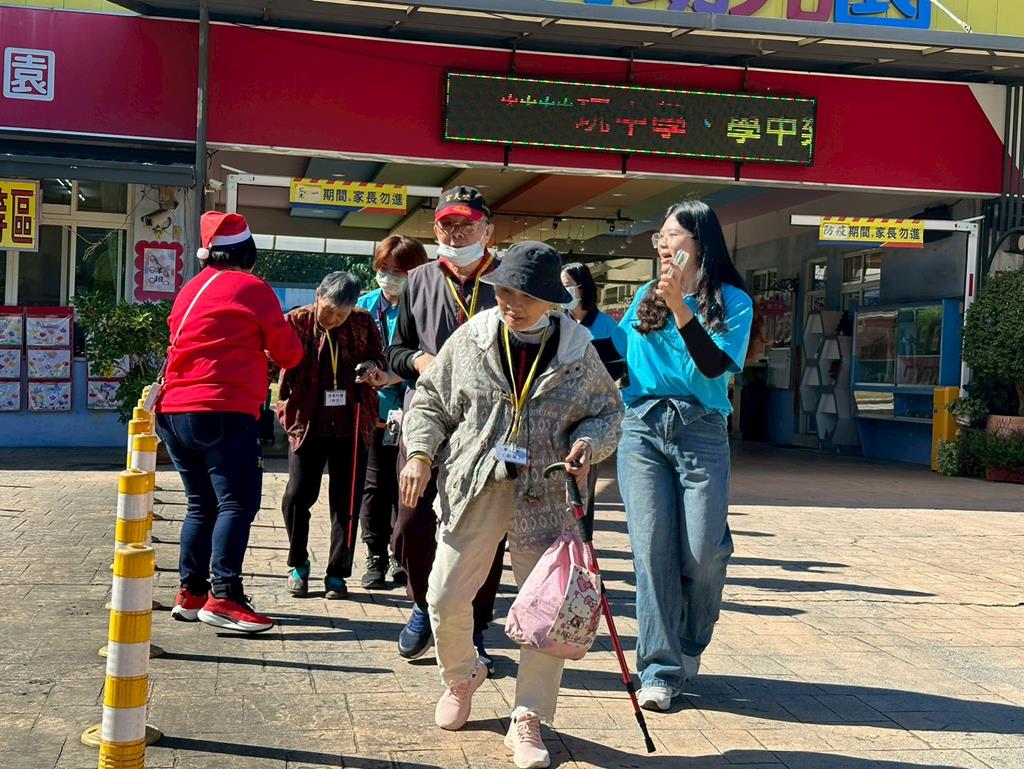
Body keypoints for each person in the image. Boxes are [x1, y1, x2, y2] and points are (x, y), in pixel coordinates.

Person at [399, 241, 623, 769]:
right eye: (503, 292)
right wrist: (420, 454)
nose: (511, 304)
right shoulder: (472, 338)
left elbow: (608, 413)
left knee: (545, 607)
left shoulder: (577, 351)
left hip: (546, 491)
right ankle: (462, 676)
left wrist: (589, 443)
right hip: (475, 484)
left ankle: (529, 716)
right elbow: (429, 400)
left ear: (551, 301)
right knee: (444, 593)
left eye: (524, 296)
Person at [616, 200, 752, 712]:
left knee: (704, 551)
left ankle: (691, 640)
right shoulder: (643, 297)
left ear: (699, 243)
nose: (663, 244)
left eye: (672, 235)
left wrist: (681, 307)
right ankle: (658, 668)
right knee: (651, 551)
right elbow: (618, 359)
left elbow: (715, 366)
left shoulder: (733, 301)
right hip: (642, 427)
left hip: (700, 428)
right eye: (660, 236)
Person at [159, 211, 303, 633]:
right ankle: (225, 596)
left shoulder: (190, 289)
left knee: (200, 503)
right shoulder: (252, 287)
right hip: (222, 408)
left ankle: (192, 593)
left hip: (174, 411)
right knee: (237, 503)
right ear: (248, 252)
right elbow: (289, 352)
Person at [386, 186, 505, 672]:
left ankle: (473, 627)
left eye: (467, 225)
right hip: (427, 418)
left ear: (488, 230)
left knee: (484, 526)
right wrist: (420, 361)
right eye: (447, 225)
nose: (456, 234)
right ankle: (423, 603)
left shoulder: (507, 279)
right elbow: (395, 350)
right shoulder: (418, 279)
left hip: (490, 423)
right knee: (411, 520)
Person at [277, 271, 389, 600]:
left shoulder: (362, 321)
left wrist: (371, 368)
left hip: (352, 422)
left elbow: (379, 357)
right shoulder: (296, 321)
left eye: (341, 314)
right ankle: (298, 563)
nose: (333, 319)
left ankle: (337, 572)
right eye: (328, 311)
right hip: (307, 421)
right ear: (318, 295)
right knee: (297, 496)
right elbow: (273, 358)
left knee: (347, 501)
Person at [355, 236, 428, 589]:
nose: (389, 278)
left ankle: (402, 555)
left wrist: (394, 377)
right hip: (375, 412)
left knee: (408, 488)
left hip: (417, 412)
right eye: (383, 270)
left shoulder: (426, 307)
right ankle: (375, 555)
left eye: (398, 272)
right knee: (374, 487)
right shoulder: (364, 307)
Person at [560, 261, 627, 379]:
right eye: (559, 286)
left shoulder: (606, 324)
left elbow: (618, 368)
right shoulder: (558, 324)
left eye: (566, 286)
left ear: (582, 288)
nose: (561, 291)